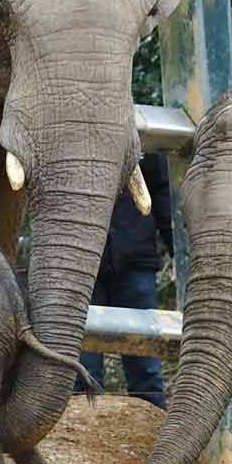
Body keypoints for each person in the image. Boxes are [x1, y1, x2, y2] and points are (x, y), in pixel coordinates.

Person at [77, 153, 174, 409]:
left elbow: (163, 195)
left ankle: (155, 437)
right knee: (83, 373)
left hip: (135, 264)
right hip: (81, 267)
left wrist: (179, 252)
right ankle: (81, 438)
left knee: (146, 369)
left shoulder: (145, 135)